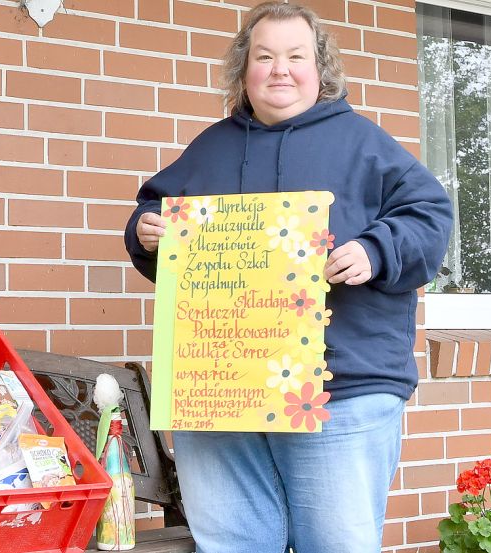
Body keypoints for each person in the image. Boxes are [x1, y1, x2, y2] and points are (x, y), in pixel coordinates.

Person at [123, 2, 453, 552]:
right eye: (265, 56)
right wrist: (147, 231)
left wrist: (377, 250)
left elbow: (428, 216)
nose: (280, 69)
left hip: (339, 390)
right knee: (232, 545)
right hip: (223, 390)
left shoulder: (365, 146)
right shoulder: (209, 148)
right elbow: (153, 212)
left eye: (295, 56)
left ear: (319, 69)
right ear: (243, 70)